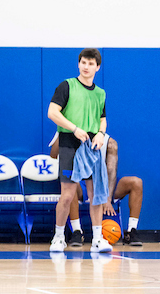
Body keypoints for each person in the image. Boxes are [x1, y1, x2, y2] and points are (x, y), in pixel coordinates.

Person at [47, 48, 110, 253]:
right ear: (78, 64)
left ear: (97, 67)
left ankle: (98, 239)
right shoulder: (67, 86)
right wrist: (74, 128)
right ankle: (58, 237)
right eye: (83, 62)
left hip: (92, 146)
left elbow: (102, 117)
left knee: (95, 194)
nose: (86, 66)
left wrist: (101, 133)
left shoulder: (100, 93)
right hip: (69, 143)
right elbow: (52, 112)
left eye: (91, 64)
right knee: (67, 195)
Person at [50, 135, 143, 247]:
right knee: (71, 189)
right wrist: (63, 133)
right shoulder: (69, 132)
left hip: (103, 180)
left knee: (136, 183)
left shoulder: (107, 142)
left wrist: (107, 197)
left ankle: (131, 230)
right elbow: (53, 155)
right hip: (80, 180)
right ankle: (77, 231)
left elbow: (111, 170)